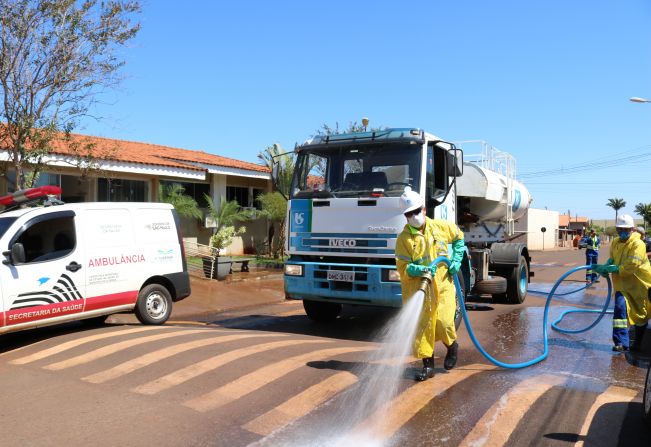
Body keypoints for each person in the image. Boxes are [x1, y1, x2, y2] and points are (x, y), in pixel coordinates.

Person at [395, 188, 465, 381]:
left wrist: (457, 261)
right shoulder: (404, 239)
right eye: (409, 214)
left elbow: (459, 239)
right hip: (419, 288)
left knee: (443, 323)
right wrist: (417, 270)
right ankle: (428, 366)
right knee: (423, 327)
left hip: (442, 285)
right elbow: (402, 266)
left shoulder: (441, 227)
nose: (414, 216)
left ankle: (452, 347)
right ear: (405, 216)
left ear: (424, 210)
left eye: (417, 211)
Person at [594, 214, 651, 353]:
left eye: (625, 229)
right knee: (619, 308)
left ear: (632, 229)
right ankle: (620, 342)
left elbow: (632, 266)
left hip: (639, 284)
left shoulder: (638, 244)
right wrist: (606, 266)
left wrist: (616, 268)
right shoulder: (615, 243)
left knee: (640, 314)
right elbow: (612, 259)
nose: (622, 232)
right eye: (620, 229)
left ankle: (637, 343)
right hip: (622, 283)